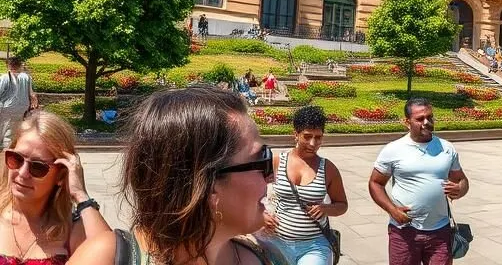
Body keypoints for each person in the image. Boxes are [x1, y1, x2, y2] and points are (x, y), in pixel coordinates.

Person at [69, 86, 282, 265]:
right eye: (262, 158)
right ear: (206, 182)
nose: (271, 176)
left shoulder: (267, 258)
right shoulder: (104, 258)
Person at [369, 98, 469, 265]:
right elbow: (375, 183)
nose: (427, 122)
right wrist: (392, 210)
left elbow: (462, 180)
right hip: (404, 232)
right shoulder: (393, 149)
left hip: (440, 232)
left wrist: (460, 189)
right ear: (407, 122)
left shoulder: (446, 148)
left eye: (430, 117)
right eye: (420, 119)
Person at [0, 111, 109, 264]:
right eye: (16, 159)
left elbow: (110, 253)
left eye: (38, 167)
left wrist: (81, 195)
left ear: (60, 175)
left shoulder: (73, 231)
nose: (22, 173)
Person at [260, 106, 349, 265]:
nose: (313, 143)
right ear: (296, 134)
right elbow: (254, 194)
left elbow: (342, 205)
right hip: (276, 243)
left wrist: (326, 209)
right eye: (307, 136)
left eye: (318, 137)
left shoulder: (328, 169)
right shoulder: (277, 162)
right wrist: (262, 214)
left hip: (314, 245)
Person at [0, 58, 38, 148]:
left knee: (3, 129)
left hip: (6, 107)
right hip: (21, 108)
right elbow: (31, 94)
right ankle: (8, 150)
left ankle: (4, 149)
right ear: (19, 65)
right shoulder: (27, 77)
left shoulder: (5, 77)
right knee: (11, 131)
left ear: (8, 65)